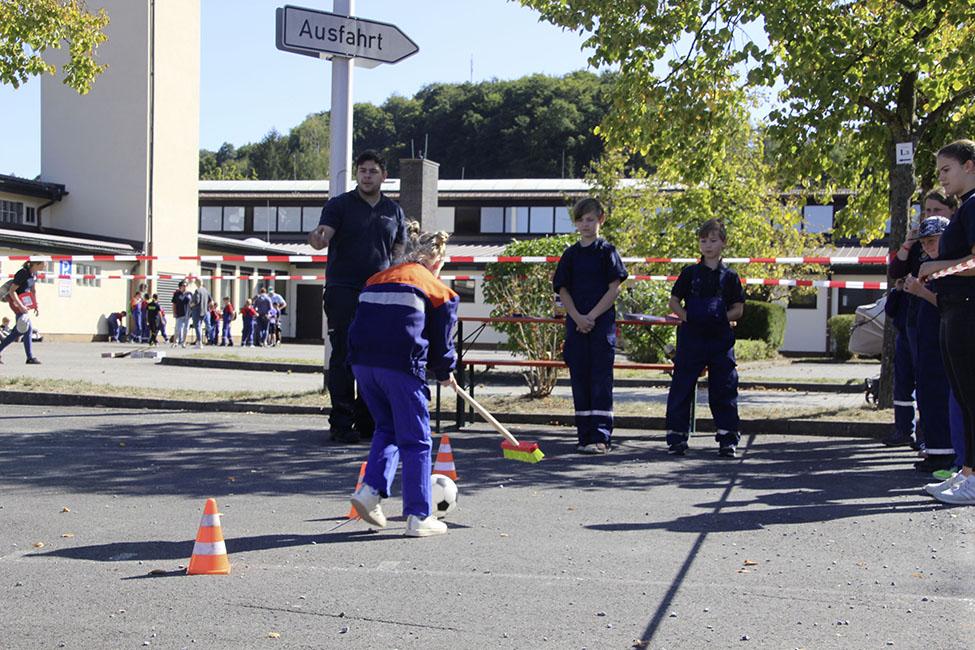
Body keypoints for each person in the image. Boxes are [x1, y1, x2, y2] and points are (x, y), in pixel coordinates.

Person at [347, 224, 458, 537]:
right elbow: (442, 339)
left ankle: (370, 492)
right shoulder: (437, 289)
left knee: (388, 428)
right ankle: (419, 516)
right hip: (400, 369)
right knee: (417, 440)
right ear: (438, 261)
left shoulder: (376, 279)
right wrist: (445, 371)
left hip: (363, 366)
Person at [307, 150, 408, 444]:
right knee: (343, 355)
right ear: (357, 174)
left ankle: (368, 421)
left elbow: (399, 253)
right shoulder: (339, 205)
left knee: (373, 359)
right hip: (342, 290)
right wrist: (317, 238)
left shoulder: (394, 211)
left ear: (384, 176)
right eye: (362, 170)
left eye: (373, 171)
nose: (367, 176)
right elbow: (322, 235)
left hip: (379, 294)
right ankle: (341, 423)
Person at [919, 139, 975, 505]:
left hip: (967, 309)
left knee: (971, 396)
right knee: (965, 398)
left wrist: (936, 267)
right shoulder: (966, 207)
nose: (941, 178)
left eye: (946, 169)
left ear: (969, 165)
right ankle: (967, 471)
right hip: (954, 309)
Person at [552, 198, 628, 454]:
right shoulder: (570, 255)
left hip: (601, 326)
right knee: (580, 381)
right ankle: (584, 436)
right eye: (581, 220)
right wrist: (577, 317)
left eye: (590, 219)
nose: (585, 225)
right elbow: (562, 289)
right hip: (576, 327)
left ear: (600, 220)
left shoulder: (608, 251)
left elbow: (614, 288)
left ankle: (601, 437)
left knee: (600, 383)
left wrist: (591, 317)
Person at [665, 219, 745, 457]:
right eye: (703, 241)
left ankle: (727, 439)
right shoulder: (689, 273)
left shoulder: (730, 277)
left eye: (713, 240)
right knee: (682, 387)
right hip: (692, 337)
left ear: (723, 243)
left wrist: (720, 318)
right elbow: (673, 301)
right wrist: (687, 317)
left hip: (720, 339)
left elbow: (738, 309)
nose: (708, 245)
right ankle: (677, 438)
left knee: (724, 388)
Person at [889, 189, 957, 452]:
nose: (929, 215)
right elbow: (896, 270)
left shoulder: (954, 245)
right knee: (913, 378)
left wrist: (922, 289)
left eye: (936, 210)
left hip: (940, 323)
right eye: (926, 210)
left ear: (952, 212)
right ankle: (913, 433)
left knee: (936, 383)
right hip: (913, 319)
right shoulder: (919, 243)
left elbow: (948, 298)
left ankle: (939, 445)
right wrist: (908, 243)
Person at [903, 217, 955, 473]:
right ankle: (935, 449)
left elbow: (948, 304)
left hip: (942, 345)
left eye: (932, 241)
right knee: (926, 395)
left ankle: (946, 453)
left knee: (940, 396)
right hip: (926, 342)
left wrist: (920, 291)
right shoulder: (931, 266)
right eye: (924, 243)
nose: (927, 247)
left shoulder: (952, 267)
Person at [0, 260, 44, 365]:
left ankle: (29, 357)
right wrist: (20, 306)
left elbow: (33, 290)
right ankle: (30, 357)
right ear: (36, 264)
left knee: (22, 331)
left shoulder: (34, 274)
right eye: (43, 263)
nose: (45, 265)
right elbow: (12, 291)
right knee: (24, 329)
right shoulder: (23, 273)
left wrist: (35, 304)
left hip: (24, 303)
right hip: (16, 302)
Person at [189, 279, 211, 349]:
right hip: (205, 311)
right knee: (201, 326)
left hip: (197, 311)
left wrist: (191, 305)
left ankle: (199, 342)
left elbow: (196, 301)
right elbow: (210, 301)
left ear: (197, 283)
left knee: (197, 326)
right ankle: (209, 338)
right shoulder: (206, 291)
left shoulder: (197, 291)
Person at [171, 280, 191, 348]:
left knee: (186, 329)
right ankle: (175, 342)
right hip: (179, 314)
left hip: (187, 314)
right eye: (183, 286)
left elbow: (192, 303)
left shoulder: (189, 294)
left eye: (186, 286)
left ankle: (184, 342)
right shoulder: (176, 294)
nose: (185, 287)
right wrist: (174, 312)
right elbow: (174, 304)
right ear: (180, 287)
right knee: (177, 328)